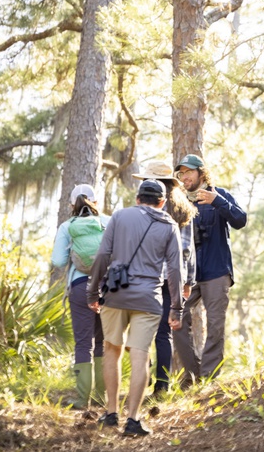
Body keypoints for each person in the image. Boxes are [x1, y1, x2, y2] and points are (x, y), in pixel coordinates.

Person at [86, 179, 185, 437]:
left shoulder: (120, 216)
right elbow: (174, 270)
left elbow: (102, 255)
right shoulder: (169, 226)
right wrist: (177, 308)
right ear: (162, 203)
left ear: (138, 198)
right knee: (139, 355)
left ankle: (110, 414)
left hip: (116, 295)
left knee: (111, 350)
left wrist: (92, 291)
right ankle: (133, 419)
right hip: (148, 299)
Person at [172, 154, 247, 382]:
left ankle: (209, 378)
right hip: (189, 276)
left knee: (215, 326)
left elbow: (240, 220)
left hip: (216, 272)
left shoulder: (219, 195)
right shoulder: (180, 201)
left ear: (201, 173)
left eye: (189, 172)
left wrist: (217, 202)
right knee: (177, 318)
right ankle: (192, 373)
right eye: (181, 174)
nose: (185, 178)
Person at [132, 160, 197, 397]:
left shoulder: (145, 206)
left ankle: (143, 377)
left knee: (142, 329)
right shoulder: (183, 207)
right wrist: (188, 281)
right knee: (163, 333)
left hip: (147, 276)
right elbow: (188, 249)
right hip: (173, 277)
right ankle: (162, 386)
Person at [51, 183, 108, 410]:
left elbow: (58, 261)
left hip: (80, 286)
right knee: (104, 341)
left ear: (71, 204)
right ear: (96, 202)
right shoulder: (108, 222)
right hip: (108, 287)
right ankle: (102, 398)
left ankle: (82, 399)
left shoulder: (67, 226)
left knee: (84, 342)